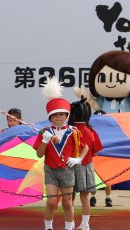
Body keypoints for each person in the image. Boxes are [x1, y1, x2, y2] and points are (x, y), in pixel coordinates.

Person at [75, 50, 130, 207]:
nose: (110, 82)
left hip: (123, 139)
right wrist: (85, 96)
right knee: (103, 168)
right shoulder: (102, 100)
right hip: (104, 140)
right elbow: (93, 105)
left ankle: (126, 179)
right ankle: (101, 189)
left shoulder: (127, 101)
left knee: (124, 168)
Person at [33, 76, 89, 230]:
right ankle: (48, 227)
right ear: (50, 117)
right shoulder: (45, 132)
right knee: (51, 202)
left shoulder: (74, 131)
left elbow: (86, 148)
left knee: (67, 202)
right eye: (54, 115)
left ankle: (68, 228)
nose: (58, 117)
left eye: (61, 114)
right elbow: (39, 154)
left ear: (67, 116)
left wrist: (78, 159)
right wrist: (45, 140)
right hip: (50, 169)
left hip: (67, 169)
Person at [68, 97, 102, 230]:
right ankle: (85, 224)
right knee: (85, 197)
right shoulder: (91, 130)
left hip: (70, 167)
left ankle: (69, 223)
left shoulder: (70, 130)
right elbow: (95, 152)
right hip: (87, 166)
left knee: (69, 197)